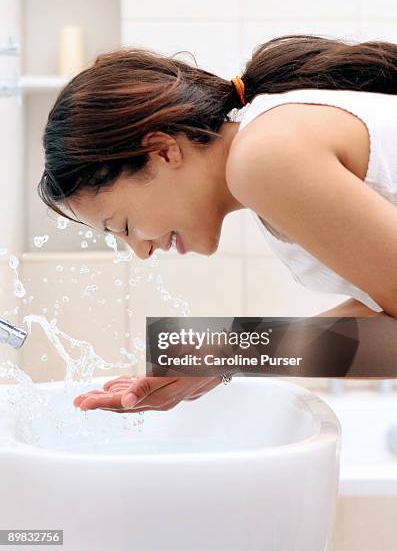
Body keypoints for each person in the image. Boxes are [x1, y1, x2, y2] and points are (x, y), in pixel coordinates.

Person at [37, 33, 397, 414]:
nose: (142, 251)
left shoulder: (263, 158)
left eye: (123, 226)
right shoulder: (265, 144)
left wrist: (232, 349)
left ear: (162, 151)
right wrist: (223, 354)